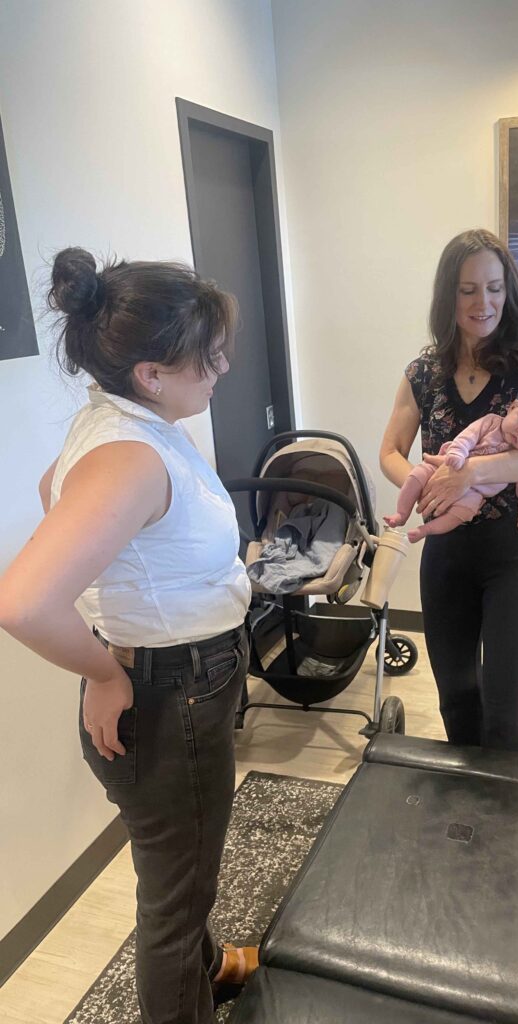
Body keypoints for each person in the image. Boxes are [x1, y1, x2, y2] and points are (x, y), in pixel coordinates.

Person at [0, 249, 258, 1023]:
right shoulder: (130, 454)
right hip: (169, 693)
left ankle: (209, 970)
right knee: (175, 900)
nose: (221, 369)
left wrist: (123, 618)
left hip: (174, 681)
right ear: (151, 372)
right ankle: (190, 981)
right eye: (208, 358)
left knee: (184, 871)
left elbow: (56, 491)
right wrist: (110, 674)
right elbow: (21, 602)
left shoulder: (116, 422)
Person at [380, 229, 518, 753]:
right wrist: (426, 487)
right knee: (457, 697)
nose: (482, 302)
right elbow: (390, 453)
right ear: (449, 295)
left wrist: (471, 475)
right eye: (467, 289)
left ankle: (510, 818)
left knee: (508, 703)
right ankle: (469, 812)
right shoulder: (424, 370)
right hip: (448, 554)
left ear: (509, 290)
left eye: (493, 287)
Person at [384, 390, 518, 542]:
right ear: (512, 408)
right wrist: (458, 452)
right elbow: (468, 436)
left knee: (464, 511)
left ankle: (426, 530)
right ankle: (401, 513)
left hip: (474, 493)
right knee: (418, 473)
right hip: (447, 465)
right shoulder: (491, 422)